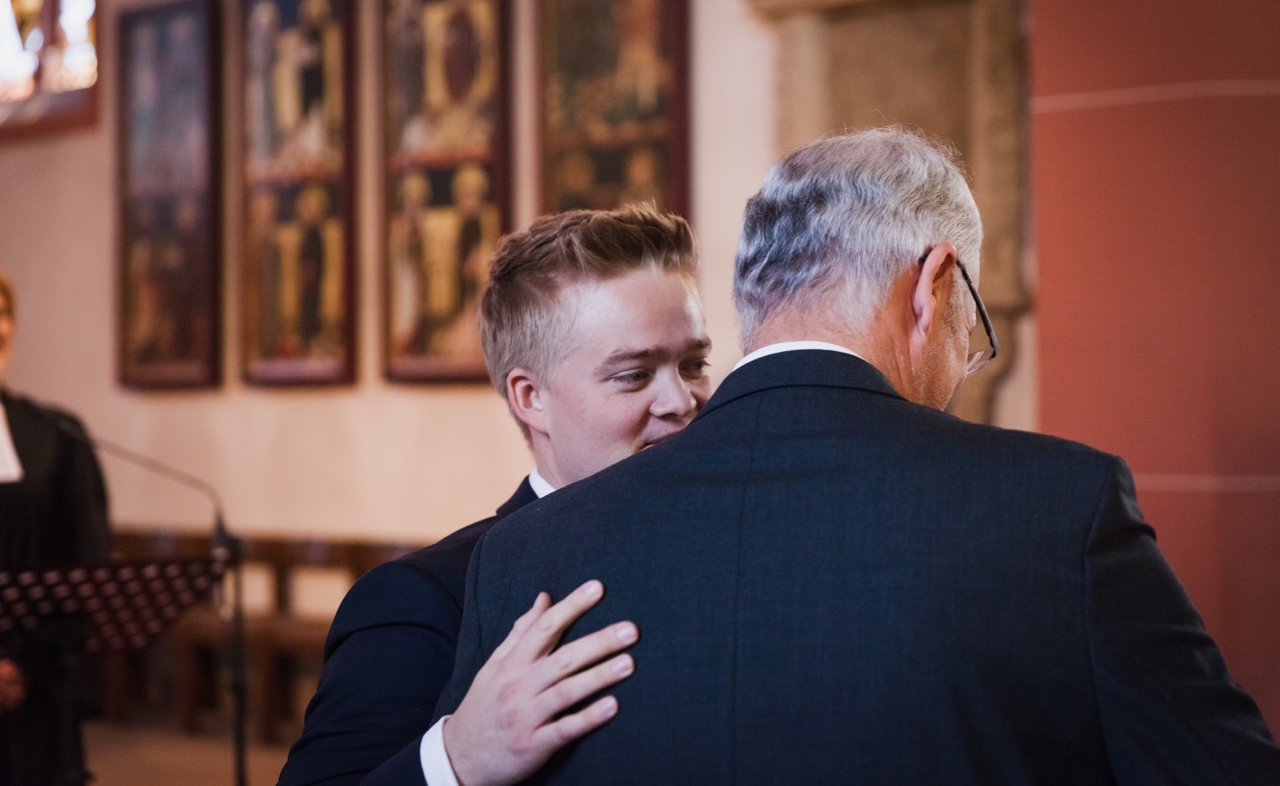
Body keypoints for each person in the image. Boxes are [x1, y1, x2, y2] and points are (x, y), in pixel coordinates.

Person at [436, 128, 1280, 783]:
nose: (964, 357)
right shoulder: (1060, 509)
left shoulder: (527, 553)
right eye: (972, 327)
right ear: (934, 286)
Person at [279, 204, 713, 785]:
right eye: (634, 374)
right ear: (531, 398)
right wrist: (457, 758)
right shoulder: (424, 600)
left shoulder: (732, 552)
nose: (682, 401)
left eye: (694, 364)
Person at [0, 271, 111, 786]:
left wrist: (22, 665)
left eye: (3, 313)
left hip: (33, 683)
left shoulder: (54, 435)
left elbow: (82, 562)